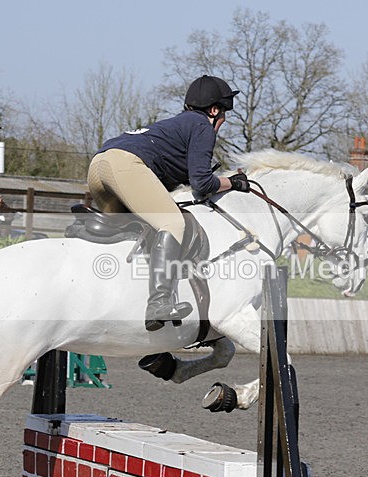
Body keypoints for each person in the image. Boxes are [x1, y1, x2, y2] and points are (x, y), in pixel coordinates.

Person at [87, 75, 248, 331]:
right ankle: (159, 302)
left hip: (98, 166)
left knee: (138, 234)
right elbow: (203, 185)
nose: (223, 121)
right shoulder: (202, 126)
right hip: (126, 165)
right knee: (172, 222)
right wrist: (234, 182)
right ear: (214, 110)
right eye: (224, 114)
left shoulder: (176, 126)